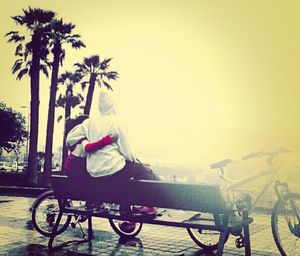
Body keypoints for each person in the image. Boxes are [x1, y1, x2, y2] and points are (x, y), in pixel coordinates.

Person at [66, 90, 160, 214]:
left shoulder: (88, 123)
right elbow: (128, 153)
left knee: (126, 173)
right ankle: (149, 204)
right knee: (139, 169)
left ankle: (126, 209)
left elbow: (70, 138)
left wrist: (84, 140)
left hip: (94, 172)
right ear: (114, 106)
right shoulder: (117, 123)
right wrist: (133, 160)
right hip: (113, 172)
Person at [65, 114, 118, 180]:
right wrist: (108, 139)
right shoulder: (82, 137)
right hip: (77, 166)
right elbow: (88, 148)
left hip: (71, 165)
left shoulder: (74, 138)